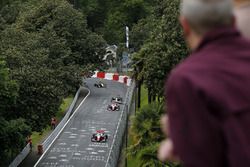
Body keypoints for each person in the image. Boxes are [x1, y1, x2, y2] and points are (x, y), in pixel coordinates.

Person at [158, 0, 250, 167]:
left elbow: (203, 158)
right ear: (233, 21)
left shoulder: (186, 79)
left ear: (185, 25)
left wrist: (181, 142)